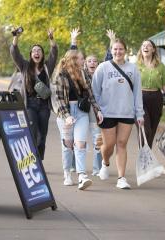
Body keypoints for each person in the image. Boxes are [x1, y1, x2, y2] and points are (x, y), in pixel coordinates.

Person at [92, 38, 144, 189]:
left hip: (126, 112)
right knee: (109, 144)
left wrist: (139, 114)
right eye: (115, 49)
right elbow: (94, 91)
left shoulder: (133, 69)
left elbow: (137, 93)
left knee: (122, 144)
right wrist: (98, 110)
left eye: (121, 49)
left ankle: (121, 178)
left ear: (125, 51)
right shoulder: (103, 67)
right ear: (111, 50)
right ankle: (105, 162)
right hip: (107, 112)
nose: (118, 52)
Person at [54, 49, 103, 190]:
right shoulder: (61, 76)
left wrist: (98, 110)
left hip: (82, 113)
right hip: (66, 113)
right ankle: (67, 173)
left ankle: (82, 176)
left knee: (80, 144)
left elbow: (91, 95)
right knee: (67, 145)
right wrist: (67, 116)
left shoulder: (84, 74)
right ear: (74, 60)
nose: (84, 61)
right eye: (82, 59)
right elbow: (59, 99)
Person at [10, 28, 58, 161]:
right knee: (32, 132)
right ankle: (32, 159)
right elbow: (15, 53)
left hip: (44, 106)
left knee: (42, 136)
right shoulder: (25, 66)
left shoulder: (48, 67)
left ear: (42, 54)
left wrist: (51, 38)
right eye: (34, 51)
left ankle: (39, 160)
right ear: (31, 54)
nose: (36, 52)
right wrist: (16, 37)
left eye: (39, 51)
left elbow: (54, 53)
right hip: (30, 104)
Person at [71, 28, 102, 176]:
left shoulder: (101, 74)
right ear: (84, 64)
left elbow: (110, 60)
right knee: (77, 138)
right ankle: (73, 165)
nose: (91, 63)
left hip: (96, 109)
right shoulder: (81, 73)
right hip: (83, 108)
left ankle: (98, 168)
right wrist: (73, 41)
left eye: (94, 61)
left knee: (97, 138)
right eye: (88, 60)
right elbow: (73, 58)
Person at [137, 39, 165, 148]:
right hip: (140, 98)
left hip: (156, 99)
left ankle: (146, 159)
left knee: (152, 131)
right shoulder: (135, 66)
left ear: (153, 49)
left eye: (148, 45)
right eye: (143, 45)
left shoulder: (161, 66)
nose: (145, 47)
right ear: (141, 49)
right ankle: (143, 155)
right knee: (145, 130)